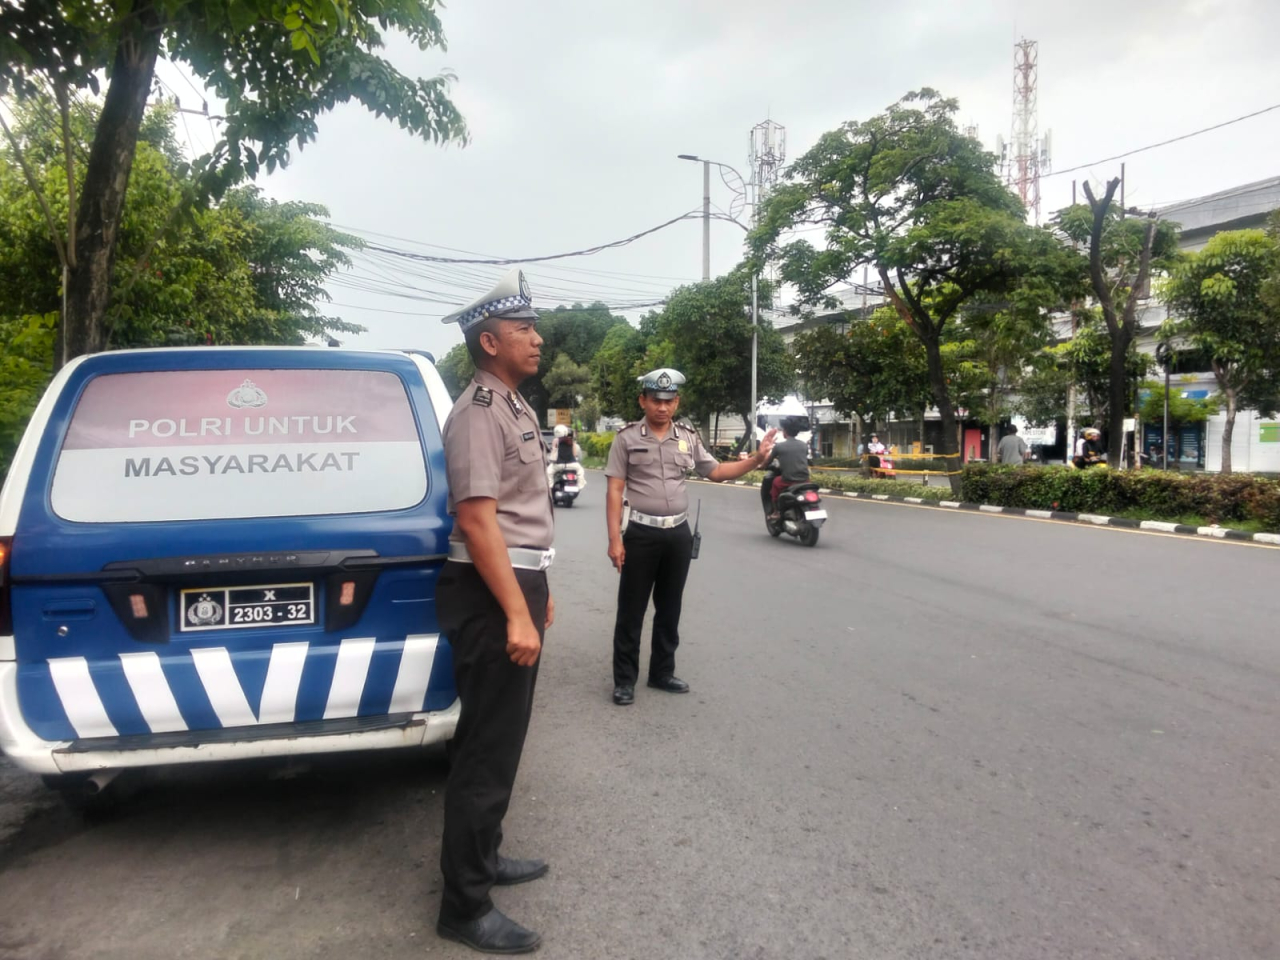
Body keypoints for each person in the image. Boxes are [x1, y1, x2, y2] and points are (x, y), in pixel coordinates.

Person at [434, 268, 555, 955]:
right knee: (485, 750)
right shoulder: (479, 410)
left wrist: (539, 590)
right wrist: (515, 611)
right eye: (523, 330)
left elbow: (522, 519)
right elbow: (478, 522)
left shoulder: (511, 404)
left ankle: (483, 860)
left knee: (496, 741)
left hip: (513, 583)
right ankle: (464, 906)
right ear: (489, 340)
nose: (537, 340)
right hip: (488, 592)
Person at [604, 368, 776, 706]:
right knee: (631, 610)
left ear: (677, 402)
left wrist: (756, 460)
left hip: (678, 534)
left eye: (669, 401)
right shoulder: (626, 438)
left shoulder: (687, 436)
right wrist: (615, 538)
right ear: (643, 400)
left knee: (670, 608)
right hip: (639, 532)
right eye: (656, 400)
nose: (663, 408)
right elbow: (614, 490)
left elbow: (716, 472)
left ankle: (662, 673)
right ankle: (624, 680)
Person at [768, 417, 811, 519]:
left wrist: (761, 466)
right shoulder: (804, 445)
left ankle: (776, 512)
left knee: (775, 483)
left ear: (785, 431)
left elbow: (768, 461)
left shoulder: (779, 446)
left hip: (788, 480)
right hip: (805, 480)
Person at [546, 424, 585, 490]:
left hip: (559, 465)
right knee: (580, 470)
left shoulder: (555, 441)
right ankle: (580, 485)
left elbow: (553, 453)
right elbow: (575, 454)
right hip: (572, 464)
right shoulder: (571, 441)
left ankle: (550, 487)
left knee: (548, 472)